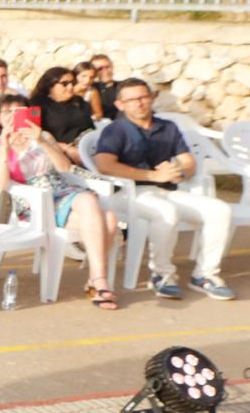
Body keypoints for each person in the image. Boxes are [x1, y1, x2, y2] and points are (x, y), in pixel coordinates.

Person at [94, 78, 236, 300]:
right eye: (131, 100)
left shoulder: (168, 127)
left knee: (220, 210)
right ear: (121, 105)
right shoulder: (115, 130)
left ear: (151, 98)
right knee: (166, 212)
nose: (139, 103)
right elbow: (104, 165)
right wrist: (152, 175)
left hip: (166, 191)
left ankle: (205, 275)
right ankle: (162, 274)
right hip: (127, 194)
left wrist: (177, 170)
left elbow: (189, 162)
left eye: (142, 97)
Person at [0, 95, 120, 310]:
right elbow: (0, 185)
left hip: (62, 190)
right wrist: (5, 149)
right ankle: (98, 281)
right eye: (6, 112)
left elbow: (64, 167)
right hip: (34, 204)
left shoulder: (43, 136)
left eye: (18, 111)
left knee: (102, 212)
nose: (12, 116)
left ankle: (96, 280)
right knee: (103, 214)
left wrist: (41, 141)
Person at [30, 65, 96, 159]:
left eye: (73, 83)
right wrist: (65, 148)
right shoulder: (36, 105)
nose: (70, 87)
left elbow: (91, 126)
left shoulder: (78, 101)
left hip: (92, 145)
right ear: (50, 85)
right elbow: (35, 134)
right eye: (65, 83)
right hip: (65, 153)